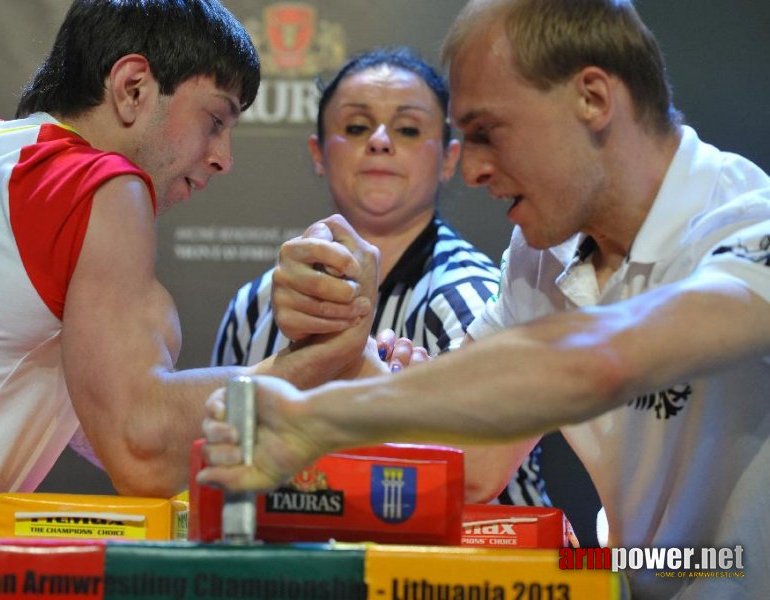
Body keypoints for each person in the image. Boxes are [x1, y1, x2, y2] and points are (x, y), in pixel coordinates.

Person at [198, 1, 769, 598]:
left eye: (487, 132)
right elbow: (471, 465)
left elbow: (593, 362)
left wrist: (313, 420)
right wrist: (345, 343)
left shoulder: (750, 227)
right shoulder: (544, 251)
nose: (468, 170)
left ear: (593, 99)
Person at [0, 0, 384, 537]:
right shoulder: (94, 181)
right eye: (214, 120)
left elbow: (109, 428)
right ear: (133, 87)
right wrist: (317, 362)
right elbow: (142, 448)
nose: (224, 157)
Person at [212, 47, 550, 507]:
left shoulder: (469, 296)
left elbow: (474, 475)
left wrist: (363, 370)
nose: (380, 140)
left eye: (408, 129)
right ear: (318, 152)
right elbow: (216, 467)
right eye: (355, 127)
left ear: (450, 160)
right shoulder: (253, 306)